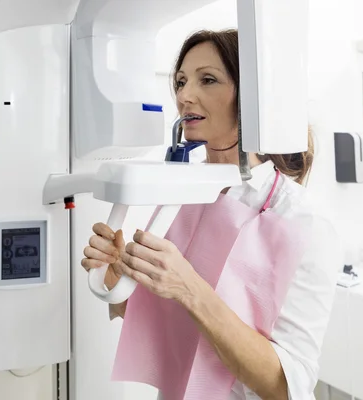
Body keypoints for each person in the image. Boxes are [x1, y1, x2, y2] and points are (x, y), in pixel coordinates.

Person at [81, 29, 341, 400]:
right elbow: (163, 323)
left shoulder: (304, 221)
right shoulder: (184, 192)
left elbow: (287, 387)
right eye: (181, 81)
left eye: (208, 80)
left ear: (252, 96)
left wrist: (189, 287)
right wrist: (115, 277)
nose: (185, 96)